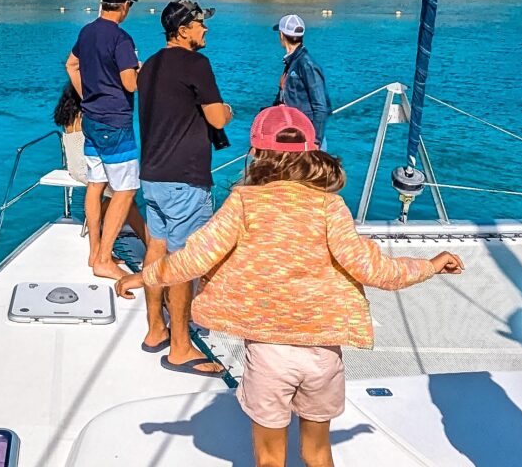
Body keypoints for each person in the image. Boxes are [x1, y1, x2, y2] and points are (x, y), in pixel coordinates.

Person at [116, 106, 464, 467]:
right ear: (312, 152)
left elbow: (194, 259)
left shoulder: (243, 202)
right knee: (317, 453)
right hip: (322, 354)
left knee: (269, 459)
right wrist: (431, 266)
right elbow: (373, 269)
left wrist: (144, 277)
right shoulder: (330, 206)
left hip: (269, 353)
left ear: (256, 153)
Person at [135, 0, 233, 376]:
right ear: (182, 30)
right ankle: (179, 348)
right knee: (183, 260)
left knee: (156, 247)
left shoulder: (149, 69)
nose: (205, 29)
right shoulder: (197, 64)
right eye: (199, 24)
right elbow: (215, 118)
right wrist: (226, 111)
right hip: (185, 178)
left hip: (153, 175)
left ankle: (155, 329)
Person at [66, 0, 143, 279]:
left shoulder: (86, 32)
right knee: (125, 190)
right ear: (125, 6)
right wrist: (140, 69)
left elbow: (71, 65)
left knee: (95, 184)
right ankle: (102, 260)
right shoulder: (122, 39)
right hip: (115, 122)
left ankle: (95, 253)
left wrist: (86, 94)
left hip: (92, 120)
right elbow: (130, 84)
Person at [272, 14, 332, 148]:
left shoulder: (306, 64)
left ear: (282, 35)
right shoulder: (292, 62)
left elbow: (321, 107)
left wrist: (315, 142)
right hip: (294, 134)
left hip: (307, 138)